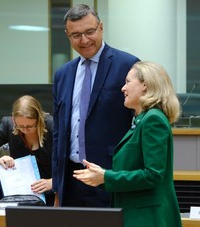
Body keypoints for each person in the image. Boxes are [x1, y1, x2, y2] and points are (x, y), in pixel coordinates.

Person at [74, 61, 185, 227]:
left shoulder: (153, 120)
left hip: (145, 226)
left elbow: (153, 175)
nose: (122, 88)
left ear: (145, 85)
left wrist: (106, 177)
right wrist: (101, 175)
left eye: (127, 81)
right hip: (134, 224)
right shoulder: (140, 120)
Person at [52, 4, 140, 207]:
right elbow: (59, 133)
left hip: (110, 176)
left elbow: (137, 126)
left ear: (101, 27)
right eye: (76, 35)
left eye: (89, 32)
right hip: (71, 180)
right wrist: (58, 184)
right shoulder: (62, 75)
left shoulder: (127, 65)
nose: (84, 40)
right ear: (67, 35)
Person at [0, 95, 54, 206]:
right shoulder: (8, 124)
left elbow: (70, 161)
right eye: (20, 126)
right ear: (13, 119)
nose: (25, 130)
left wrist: (54, 182)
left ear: (39, 119)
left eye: (30, 126)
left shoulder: (52, 125)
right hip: (20, 195)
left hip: (51, 193)